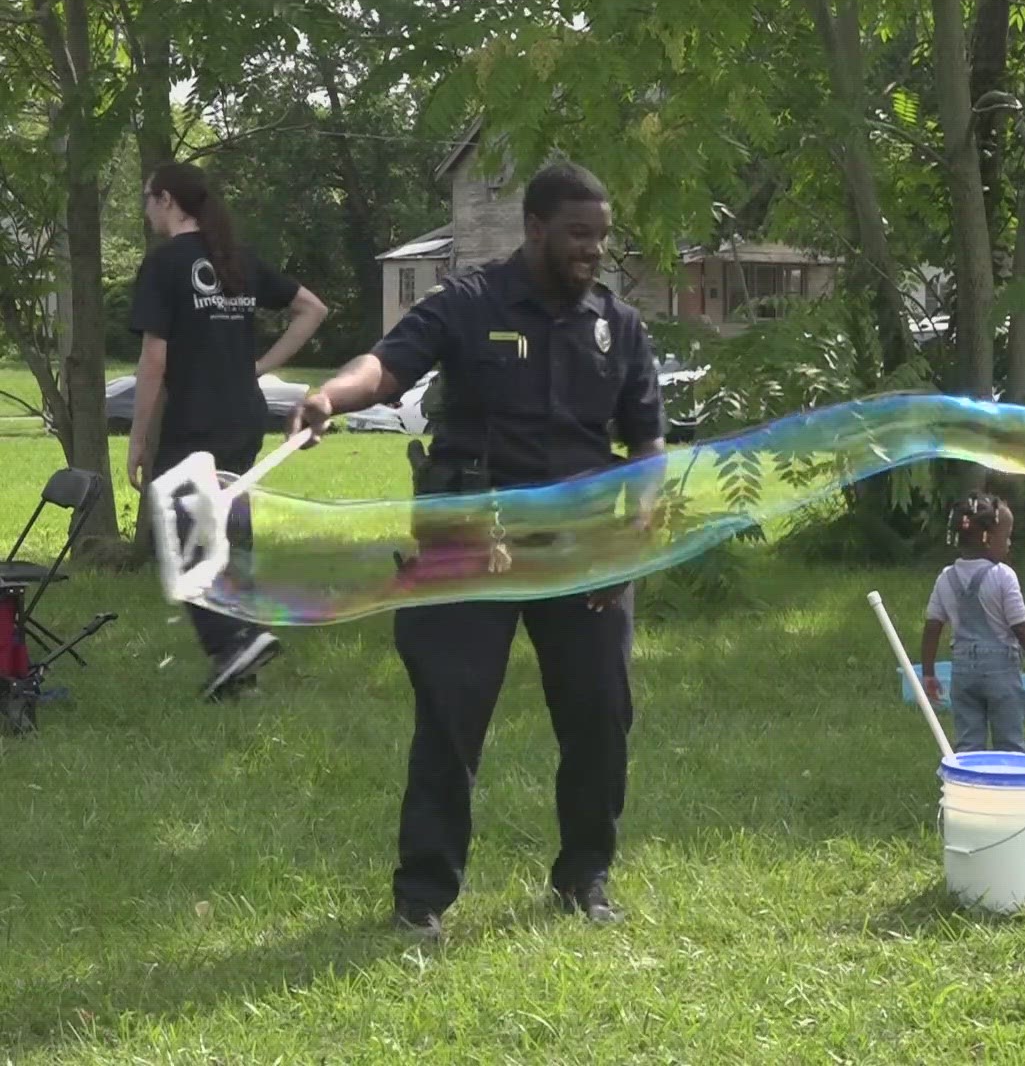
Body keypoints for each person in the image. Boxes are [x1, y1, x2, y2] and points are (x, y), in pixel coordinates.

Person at [288, 161, 666, 940]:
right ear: (534, 229)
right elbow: (386, 365)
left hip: (580, 547)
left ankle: (584, 879)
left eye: (600, 235)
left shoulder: (618, 326)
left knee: (599, 717)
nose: (593, 250)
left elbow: (648, 435)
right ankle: (422, 898)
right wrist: (330, 393)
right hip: (469, 538)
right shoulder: (468, 304)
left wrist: (633, 527)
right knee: (450, 719)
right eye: (577, 234)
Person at [128, 161, 330, 700]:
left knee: (181, 536)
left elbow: (153, 361)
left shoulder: (166, 264)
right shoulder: (234, 258)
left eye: (148, 198)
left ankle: (231, 641)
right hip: (243, 415)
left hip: (196, 418)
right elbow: (311, 309)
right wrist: (257, 367)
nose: (146, 208)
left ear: (167, 200)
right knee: (230, 532)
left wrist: (137, 440)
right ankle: (242, 674)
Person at [919, 493, 1025, 753]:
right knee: (1010, 741)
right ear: (988, 539)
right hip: (1000, 672)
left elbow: (933, 626)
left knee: (968, 743)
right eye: (1006, 536)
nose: (1009, 543)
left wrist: (928, 672)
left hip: (963, 672)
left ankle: (970, 789)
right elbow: (1020, 625)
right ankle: (1010, 787)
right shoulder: (1003, 576)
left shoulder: (946, 578)